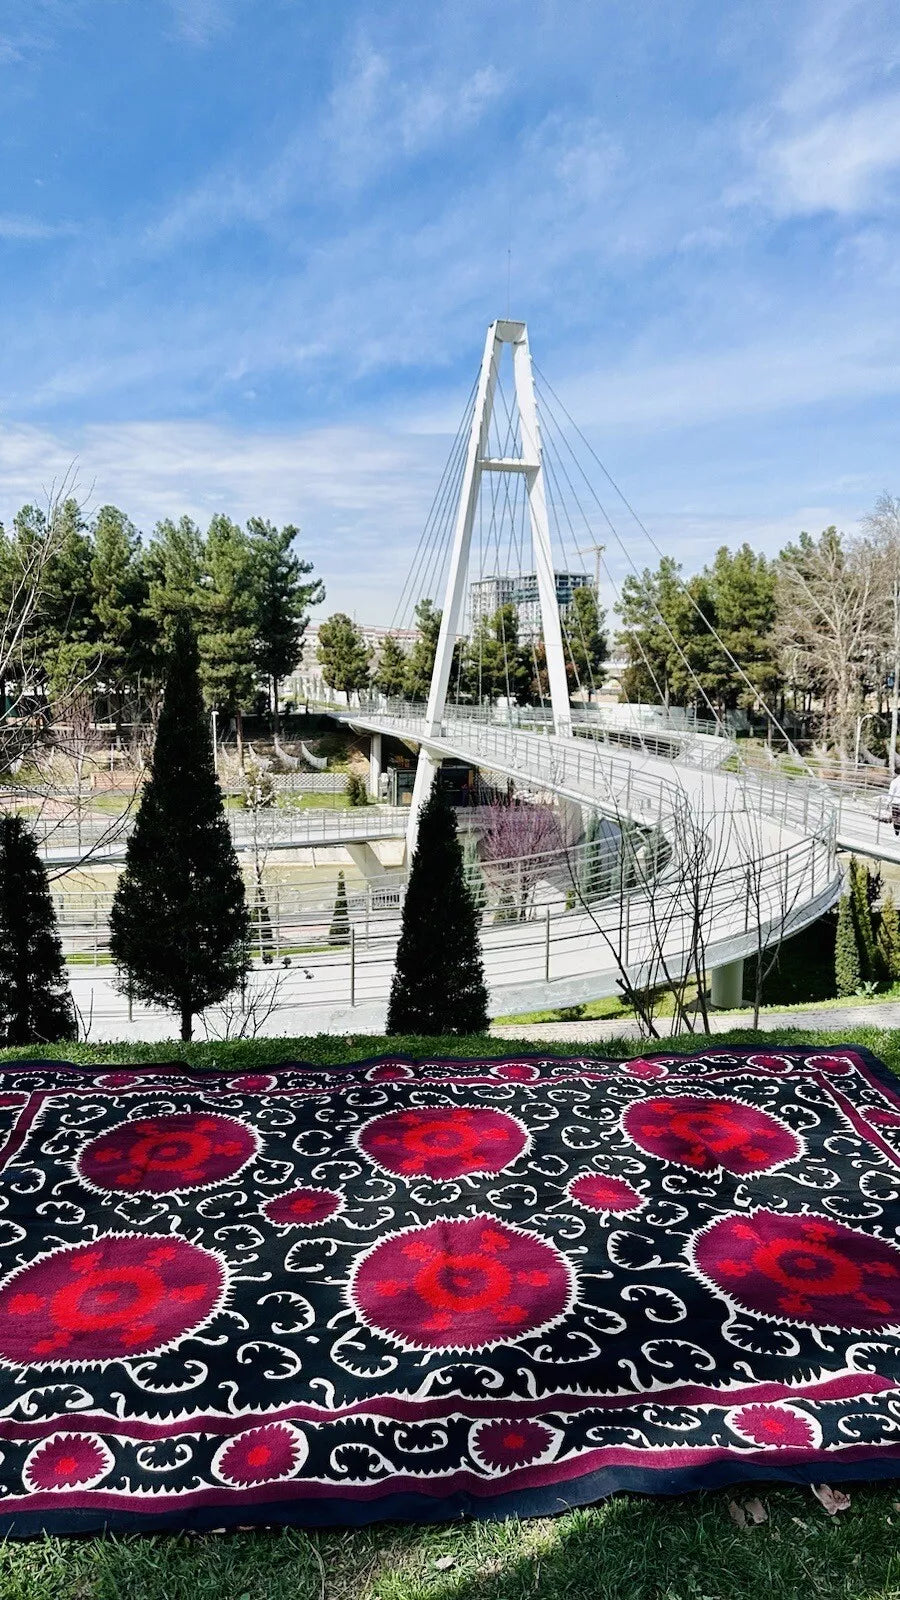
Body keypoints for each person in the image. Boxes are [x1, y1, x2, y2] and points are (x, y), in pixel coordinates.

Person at [889, 770, 900, 836]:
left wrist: (888, 803)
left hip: (896, 803)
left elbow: (891, 794)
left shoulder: (894, 781)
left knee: (896, 819)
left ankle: (897, 833)